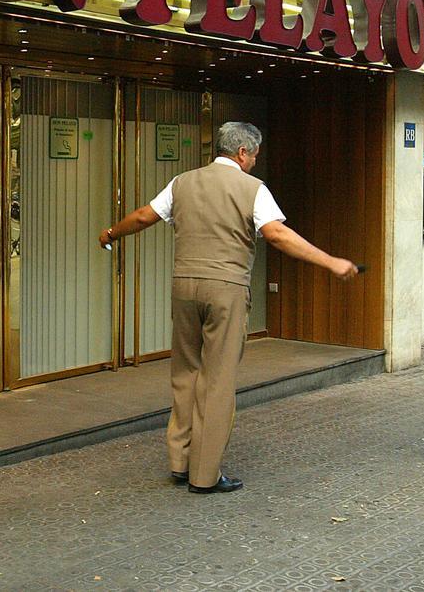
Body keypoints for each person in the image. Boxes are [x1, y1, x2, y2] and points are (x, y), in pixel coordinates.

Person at [98, 121, 359, 493]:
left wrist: (110, 234)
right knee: (218, 381)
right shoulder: (253, 189)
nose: (255, 162)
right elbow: (277, 234)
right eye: (254, 155)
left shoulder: (182, 182)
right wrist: (330, 261)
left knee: (185, 372)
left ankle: (180, 462)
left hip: (184, 287)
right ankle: (204, 476)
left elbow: (143, 217)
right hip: (226, 289)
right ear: (241, 152)